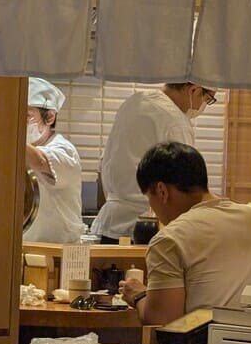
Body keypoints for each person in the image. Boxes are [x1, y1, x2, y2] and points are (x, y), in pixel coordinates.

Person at [119, 142, 251, 325]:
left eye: (149, 198)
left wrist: (138, 295)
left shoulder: (170, 239)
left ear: (162, 191)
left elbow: (163, 321)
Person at [90, 83, 217, 243]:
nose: (202, 106)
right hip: (146, 230)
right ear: (194, 90)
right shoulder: (176, 122)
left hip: (109, 225)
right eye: (207, 99)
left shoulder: (134, 102)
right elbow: (186, 186)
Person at [23, 78, 83, 244]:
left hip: (59, 252)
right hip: (25, 246)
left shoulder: (64, 150)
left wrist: (6, 133)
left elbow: (41, 161)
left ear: (49, 117)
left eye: (27, 116)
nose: (19, 123)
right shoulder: (18, 151)